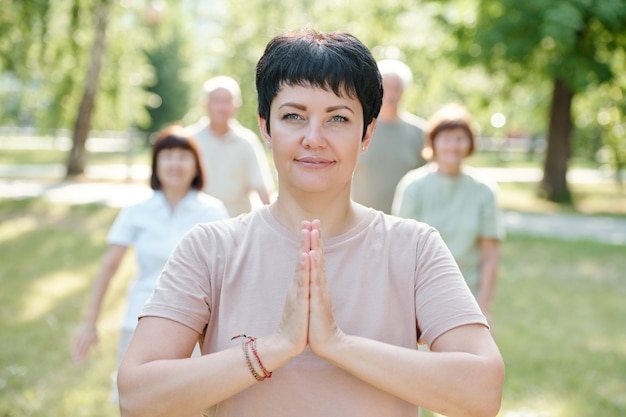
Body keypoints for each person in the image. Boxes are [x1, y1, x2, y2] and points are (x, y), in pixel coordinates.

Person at [118, 29, 504, 417]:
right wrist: (275, 347)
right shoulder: (210, 247)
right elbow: (137, 399)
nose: (314, 138)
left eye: (337, 118)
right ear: (265, 127)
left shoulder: (414, 248)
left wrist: (337, 344)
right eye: (293, 117)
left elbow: (481, 393)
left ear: (367, 132)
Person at [71, 125, 229, 402]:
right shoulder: (136, 211)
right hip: (139, 320)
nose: (175, 163)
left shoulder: (212, 210)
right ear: (156, 164)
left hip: (195, 327)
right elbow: (109, 267)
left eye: (183, 156)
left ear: (196, 165)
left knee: (189, 402)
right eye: (167, 155)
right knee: (138, 401)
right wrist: (89, 322)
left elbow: (227, 275)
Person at [392, 103, 505, 324]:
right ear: (433, 142)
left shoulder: (484, 190)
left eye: (459, 138)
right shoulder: (413, 186)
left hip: (468, 297)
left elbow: (490, 256)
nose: (452, 146)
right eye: (445, 138)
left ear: (470, 143)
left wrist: (483, 309)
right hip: (421, 296)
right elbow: (400, 250)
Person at [185, 75, 275, 216]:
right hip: (197, 224)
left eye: (227, 101)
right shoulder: (189, 139)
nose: (222, 107)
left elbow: (262, 187)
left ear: (236, 105)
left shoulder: (247, 142)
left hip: (235, 228)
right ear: (206, 104)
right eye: (216, 101)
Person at [351, 58, 427, 214]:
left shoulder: (421, 133)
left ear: (403, 91)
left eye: (396, 88)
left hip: (406, 224)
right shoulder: (357, 129)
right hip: (361, 223)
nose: (390, 95)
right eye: (385, 88)